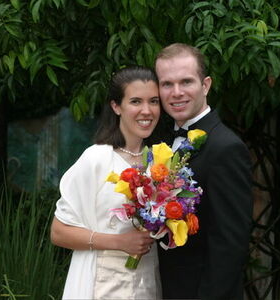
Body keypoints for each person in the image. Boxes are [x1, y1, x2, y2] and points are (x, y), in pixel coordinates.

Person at [51, 66, 162, 299]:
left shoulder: (161, 163)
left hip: (147, 284)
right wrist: (118, 242)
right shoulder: (97, 158)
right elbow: (59, 233)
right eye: (135, 101)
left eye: (153, 101)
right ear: (116, 106)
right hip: (102, 285)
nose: (147, 110)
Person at [153, 43, 253, 299]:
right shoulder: (160, 144)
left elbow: (229, 245)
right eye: (167, 84)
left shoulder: (226, 147)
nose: (176, 92)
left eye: (186, 82)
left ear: (205, 85)